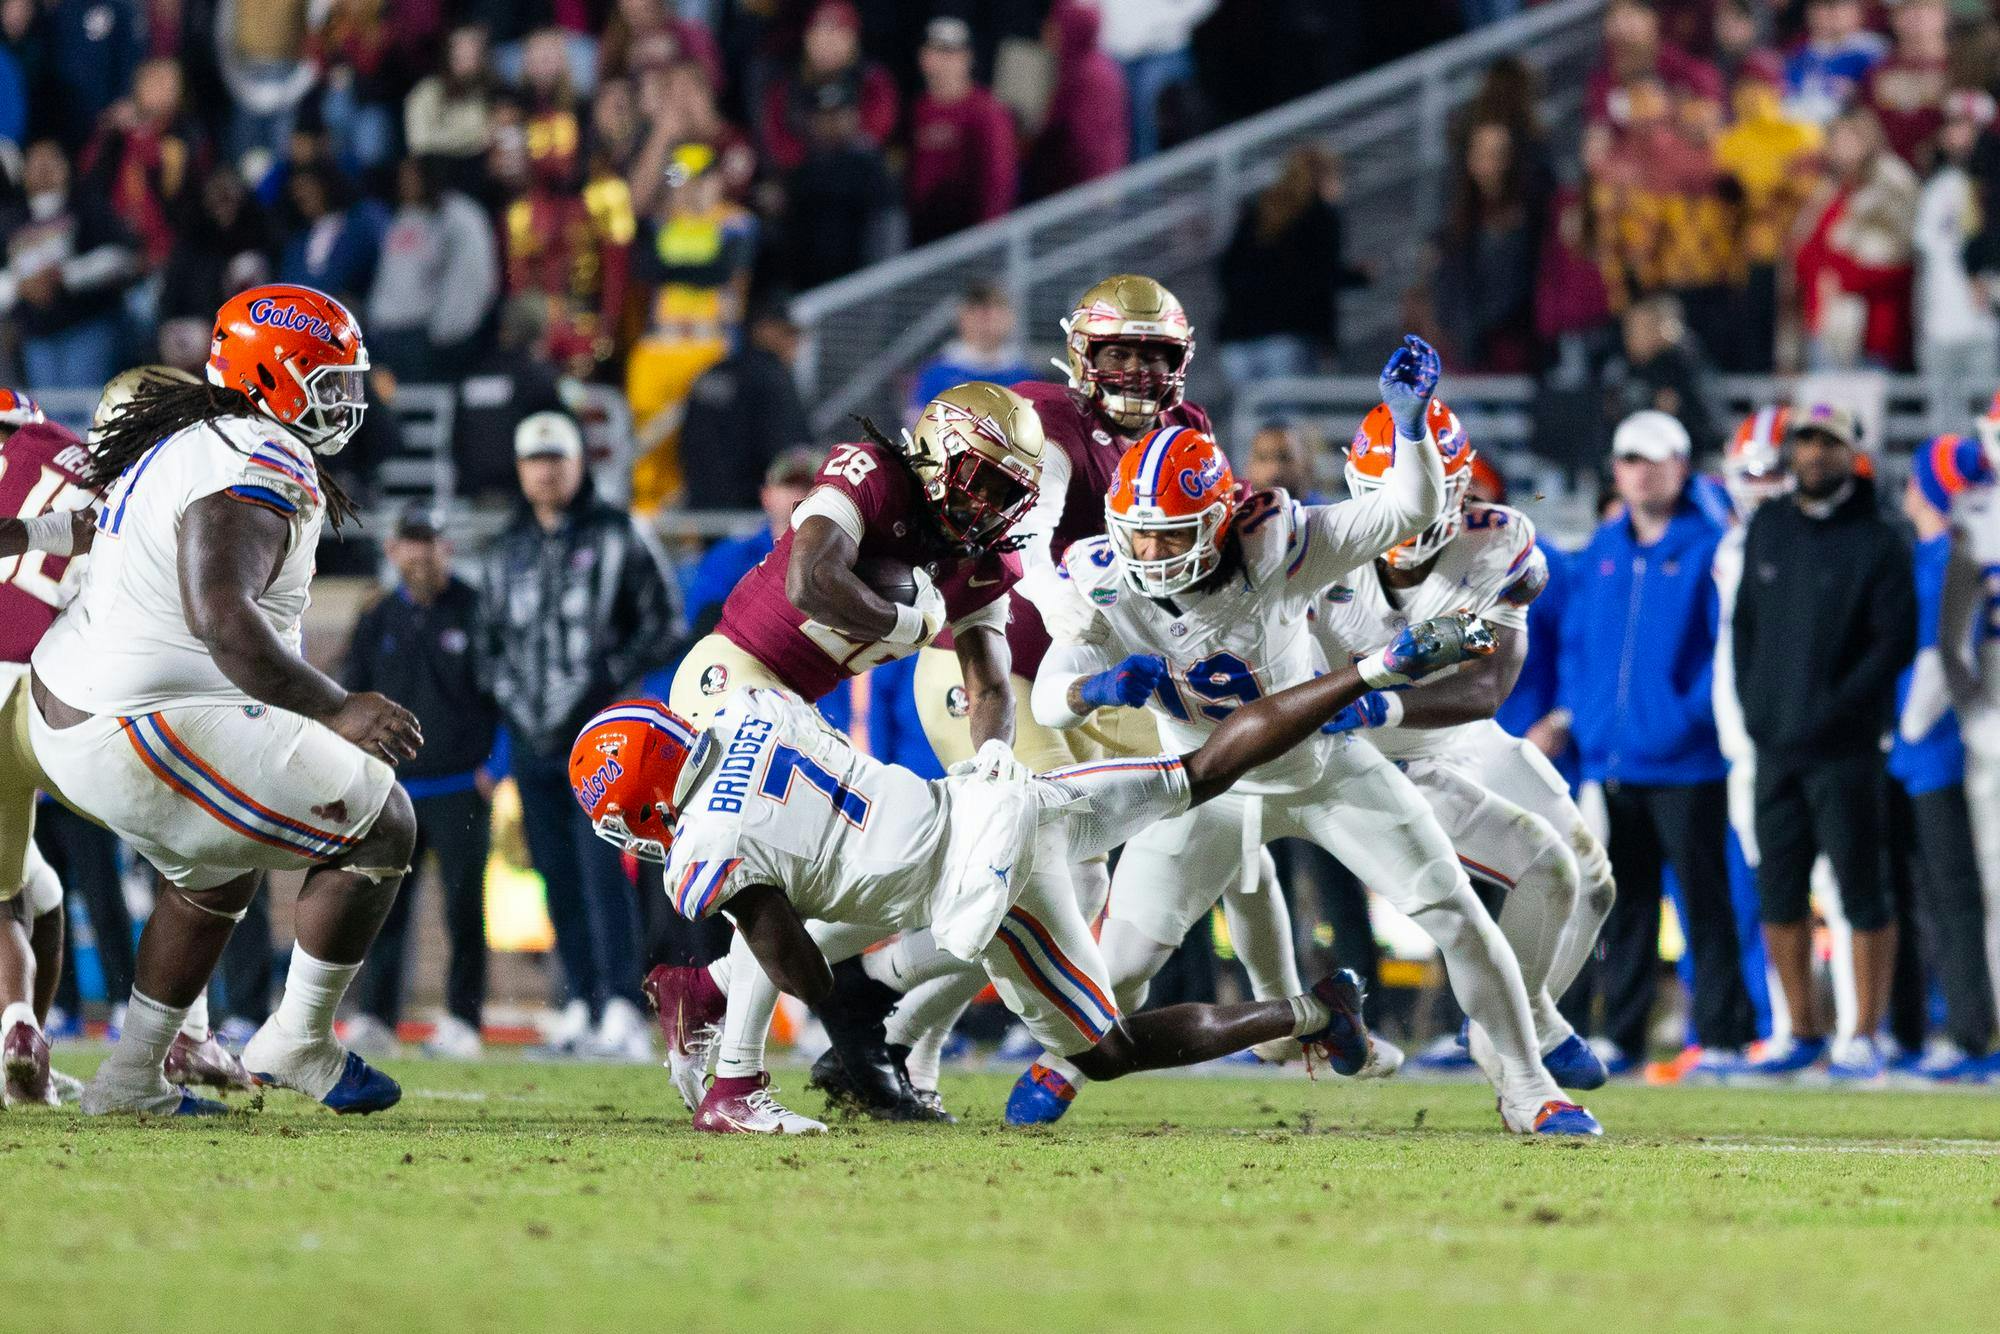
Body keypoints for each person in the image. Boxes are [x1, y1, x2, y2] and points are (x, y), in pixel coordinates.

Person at [575, 612, 1502, 1134]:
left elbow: (784, 951)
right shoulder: (748, 712)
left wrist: (841, 1006)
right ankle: (1378, 667)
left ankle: (1308, 1014)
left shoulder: (702, 846)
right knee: (1201, 771)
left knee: (1108, 1051)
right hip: (998, 791)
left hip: (982, 887)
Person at [1009, 342, 1600, 1137]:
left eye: (1171, 533)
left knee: (1456, 912)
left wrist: (1409, 422)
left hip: (1322, 766)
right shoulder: (1106, 575)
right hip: (1204, 783)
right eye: (1138, 534)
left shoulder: (1280, 542)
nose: (1151, 553)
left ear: (1221, 516)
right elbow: (1048, 697)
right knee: (1123, 965)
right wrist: (1092, 689)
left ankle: (1528, 1084)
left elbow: (1406, 510)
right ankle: (1065, 1062)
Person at [905, 275, 1297, 1114]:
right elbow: (1033, 534)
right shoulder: (1045, 419)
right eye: (1119, 353)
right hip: (993, 669)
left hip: (1103, 680)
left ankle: (1278, 1013)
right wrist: (1053, 596)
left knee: (1217, 809)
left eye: (1153, 357)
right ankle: (907, 1029)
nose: (1136, 373)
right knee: (1048, 871)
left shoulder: (1189, 431)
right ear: (1085, 355)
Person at [31, 283, 421, 1118]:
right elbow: (227, 623)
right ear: (274, 376)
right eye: (330, 382)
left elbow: (101, 532)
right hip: (133, 718)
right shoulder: (258, 454)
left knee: (214, 872)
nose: (345, 403)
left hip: (78, 706)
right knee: (383, 822)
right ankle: (297, 1038)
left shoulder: (196, 437)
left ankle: (131, 1081)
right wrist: (336, 706)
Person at [651, 383, 1046, 1130]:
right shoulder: (872, 471)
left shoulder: (979, 553)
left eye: (1009, 490)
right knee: (774, 870)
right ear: (939, 453)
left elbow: (990, 679)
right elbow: (810, 580)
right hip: (734, 679)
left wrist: (995, 760)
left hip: (793, 710)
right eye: (984, 478)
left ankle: (704, 992)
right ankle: (734, 1088)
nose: (993, 503)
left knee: (870, 876)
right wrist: (901, 619)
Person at [1310, 399, 1617, 1095]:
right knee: (1543, 872)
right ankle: (1519, 1038)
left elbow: (1487, 688)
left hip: (1458, 731)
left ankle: (1517, 1018)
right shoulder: (1316, 547)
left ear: (1463, 484)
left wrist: (1381, 697)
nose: (1410, 512)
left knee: (1594, 880)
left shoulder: (1499, 540)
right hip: (1378, 758)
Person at [1551, 411, 1758, 1075]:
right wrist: (1586, 719)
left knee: (1704, 899)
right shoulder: (1605, 548)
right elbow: (1580, 647)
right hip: (1614, 758)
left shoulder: (1709, 546)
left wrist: (1686, 717)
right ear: (1617, 469)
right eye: (1631, 460)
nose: (1642, 471)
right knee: (1626, 903)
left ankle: (1724, 1033)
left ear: (1681, 466)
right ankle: (1626, 1033)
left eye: (1655, 459)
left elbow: (1722, 648)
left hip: (1688, 759)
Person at [477, 410, 681, 1060]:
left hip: (600, 738)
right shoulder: (503, 547)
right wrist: (509, 698)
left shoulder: (622, 532)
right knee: (554, 876)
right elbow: (486, 643)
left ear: (578, 463)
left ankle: (621, 1003)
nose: (545, 470)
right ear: (519, 468)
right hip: (531, 738)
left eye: (556, 458)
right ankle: (581, 1003)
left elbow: (666, 618)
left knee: (604, 874)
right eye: (534, 460)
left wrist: (609, 679)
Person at [1734, 404, 1914, 1079]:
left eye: (1828, 443)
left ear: (1853, 453)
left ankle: (1863, 1033)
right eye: (1804, 442)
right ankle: (1802, 1030)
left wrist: (1839, 711)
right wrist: (1757, 709)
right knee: (1777, 891)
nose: (1814, 454)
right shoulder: (1769, 527)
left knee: (1861, 889)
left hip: (1847, 749)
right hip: (1775, 746)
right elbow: (1745, 628)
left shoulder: (1879, 540)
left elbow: (1892, 644)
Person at [341, 506, 500, 1061]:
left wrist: (494, 767)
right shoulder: (377, 617)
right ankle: (376, 1016)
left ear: (446, 548)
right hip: (393, 792)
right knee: (382, 910)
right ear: (392, 550)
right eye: (411, 542)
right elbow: (348, 698)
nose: (421, 553)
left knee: (463, 910)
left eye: (429, 542)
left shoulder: (478, 610)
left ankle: (463, 1019)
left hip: (460, 786)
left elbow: (504, 694)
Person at [1892, 436, 1998, 1080]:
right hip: (1934, 747)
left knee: (1956, 897)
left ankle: (1969, 1031)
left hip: (1939, 747)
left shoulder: (1945, 555)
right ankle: (1958, 1025)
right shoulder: (1947, 551)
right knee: (1943, 896)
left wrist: (1904, 728)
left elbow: (1942, 658)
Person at [0, 387, 94, 1105]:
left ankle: (21, 1030)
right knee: (35, 892)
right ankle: (22, 1031)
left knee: (24, 894)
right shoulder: (79, 463)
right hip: (32, 697)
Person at [1216, 146, 1368, 381]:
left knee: (1251, 415)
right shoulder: (1321, 216)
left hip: (1238, 338)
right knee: (1289, 416)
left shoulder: (1260, 211)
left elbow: (1227, 270)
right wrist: (1358, 279)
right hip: (1288, 336)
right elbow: (1318, 279)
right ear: (1325, 177)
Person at [0, 138, 139, 391]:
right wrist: (21, 286)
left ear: (67, 166)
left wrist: (64, 276)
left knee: (82, 409)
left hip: (86, 326)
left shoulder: (88, 206)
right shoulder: (11, 218)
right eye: (35, 163)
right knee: (50, 418)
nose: (43, 169)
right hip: (35, 336)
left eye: (51, 161)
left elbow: (122, 256)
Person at [364, 155, 500, 382]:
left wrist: (446, 331)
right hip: (388, 335)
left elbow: (472, 277)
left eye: (411, 177)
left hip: (426, 337)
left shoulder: (459, 216)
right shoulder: (404, 217)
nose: (404, 183)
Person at [678, 306, 811, 514]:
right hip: (752, 516)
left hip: (703, 510)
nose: (795, 343)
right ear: (764, 329)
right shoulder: (772, 377)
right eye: (788, 333)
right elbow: (791, 455)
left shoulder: (713, 371)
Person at [682, 448, 821, 638]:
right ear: (766, 495)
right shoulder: (732, 556)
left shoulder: (849, 558)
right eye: (789, 484)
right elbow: (705, 623)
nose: (800, 494)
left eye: (810, 485)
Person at [905, 16, 1016, 246]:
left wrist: (987, 240)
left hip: (969, 239)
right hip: (923, 238)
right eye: (937, 51)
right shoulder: (919, 109)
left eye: (952, 53)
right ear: (924, 57)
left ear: (967, 58)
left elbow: (998, 179)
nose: (945, 61)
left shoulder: (986, 111)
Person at [907, 283, 1038, 418]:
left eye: (990, 314)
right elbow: (917, 429)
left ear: (1009, 318)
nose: (983, 323)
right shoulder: (937, 375)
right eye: (976, 314)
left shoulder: (1024, 376)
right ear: (962, 318)